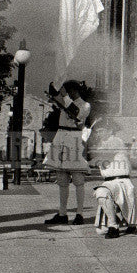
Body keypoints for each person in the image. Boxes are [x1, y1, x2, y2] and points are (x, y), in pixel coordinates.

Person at [43, 80, 92, 225]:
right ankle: (62, 213)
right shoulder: (66, 101)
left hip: (73, 137)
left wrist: (64, 98)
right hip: (61, 136)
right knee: (62, 179)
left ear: (74, 91)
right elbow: (60, 102)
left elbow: (76, 114)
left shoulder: (85, 105)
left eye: (68, 90)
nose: (67, 93)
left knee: (78, 179)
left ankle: (79, 214)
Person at [88, 119, 137, 238]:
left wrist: (86, 140)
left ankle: (114, 226)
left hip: (121, 182)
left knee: (101, 192)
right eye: (97, 132)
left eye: (101, 131)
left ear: (110, 131)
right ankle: (117, 218)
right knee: (100, 231)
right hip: (110, 182)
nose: (98, 134)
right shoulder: (102, 144)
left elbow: (100, 154)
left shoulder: (115, 141)